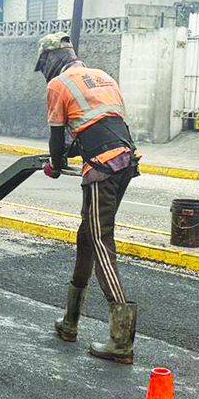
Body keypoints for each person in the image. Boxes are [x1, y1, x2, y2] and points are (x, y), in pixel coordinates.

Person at [36, 32, 140, 364]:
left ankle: (121, 340)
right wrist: (68, 153)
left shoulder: (58, 86)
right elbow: (96, 127)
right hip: (125, 161)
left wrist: (54, 164)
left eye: (45, 67)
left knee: (99, 239)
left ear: (51, 60)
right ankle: (69, 322)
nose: (46, 73)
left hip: (101, 170)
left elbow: (57, 143)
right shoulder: (103, 77)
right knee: (86, 237)